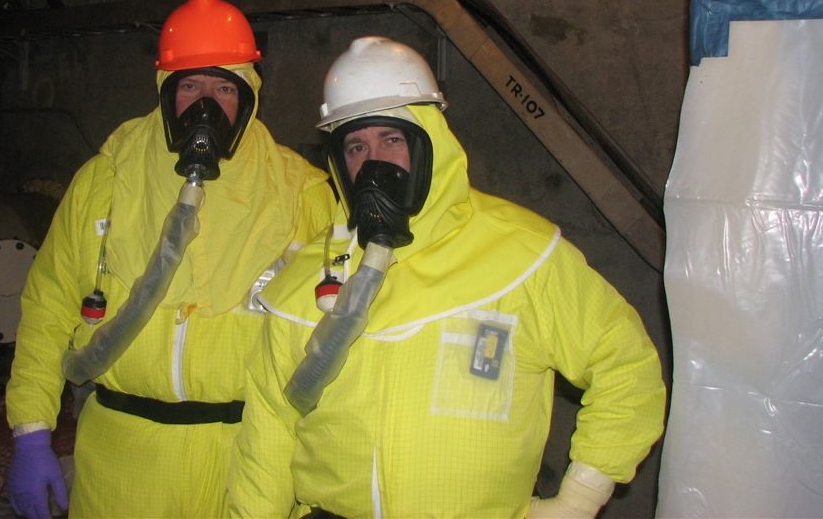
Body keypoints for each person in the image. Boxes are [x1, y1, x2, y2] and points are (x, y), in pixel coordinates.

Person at [227, 36, 666, 519]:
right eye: (356, 145)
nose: (374, 162)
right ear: (339, 162)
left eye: (392, 139)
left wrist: (578, 499)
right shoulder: (311, 278)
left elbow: (626, 368)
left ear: (430, 141)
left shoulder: (519, 254)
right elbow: (269, 432)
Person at [4, 0, 336, 519]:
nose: (207, 104)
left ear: (250, 95)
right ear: (165, 93)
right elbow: (48, 307)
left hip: (245, 460)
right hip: (119, 459)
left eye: (225, 87)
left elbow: (333, 336)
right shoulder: (108, 180)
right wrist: (30, 430)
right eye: (190, 86)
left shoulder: (300, 192)